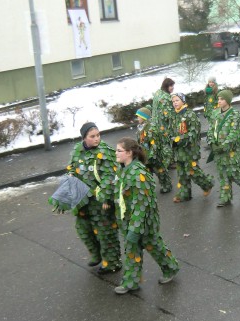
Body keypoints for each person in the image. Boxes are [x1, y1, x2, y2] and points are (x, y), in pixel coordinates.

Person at [113, 137, 179, 294]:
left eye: (119, 151)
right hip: (130, 220)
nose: (115, 153)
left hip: (144, 222)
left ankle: (171, 267)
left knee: (154, 245)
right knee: (131, 250)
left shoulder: (138, 173)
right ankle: (131, 281)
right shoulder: (123, 169)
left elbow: (141, 204)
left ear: (129, 153)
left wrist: (135, 229)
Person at [62, 122, 121, 273]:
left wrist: (107, 198)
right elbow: (71, 167)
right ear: (84, 138)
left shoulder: (105, 152)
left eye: (98, 135)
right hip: (81, 199)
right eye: (92, 136)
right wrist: (69, 175)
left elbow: (110, 177)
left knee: (105, 232)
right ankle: (96, 254)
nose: (96, 139)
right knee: (83, 229)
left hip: (99, 201)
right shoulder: (77, 149)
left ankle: (112, 262)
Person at [207, 90, 240, 207]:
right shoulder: (215, 114)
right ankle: (225, 197)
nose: (219, 101)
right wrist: (212, 143)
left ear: (227, 100)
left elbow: (234, 133)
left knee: (233, 172)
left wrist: (224, 146)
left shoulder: (234, 115)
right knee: (222, 174)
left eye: (221, 99)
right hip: (218, 151)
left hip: (231, 151)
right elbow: (211, 130)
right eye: (218, 99)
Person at [170, 93, 214, 203]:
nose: (175, 103)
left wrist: (178, 139)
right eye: (173, 101)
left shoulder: (190, 115)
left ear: (183, 101)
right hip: (179, 150)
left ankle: (207, 184)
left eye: (177, 100)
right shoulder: (175, 115)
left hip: (189, 149)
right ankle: (184, 194)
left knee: (192, 170)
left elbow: (193, 133)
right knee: (182, 173)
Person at [135, 106, 172, 194]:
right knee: (147, 172)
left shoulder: (151, 129)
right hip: (145, 154)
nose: (137, 118)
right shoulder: (140, 127)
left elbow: (155, 143)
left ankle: (167, 185)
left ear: (144, 117)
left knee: (160, 171)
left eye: (139, 116)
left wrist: (152, 155)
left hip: (154, 155)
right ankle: (149, 188)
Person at [151, 77, 176, 168]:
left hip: (155, 123)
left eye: (173, 86)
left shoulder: (158, 92)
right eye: (171, 86)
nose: (172, 88)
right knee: (167, 144)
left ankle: (168, 161)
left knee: (161, 144)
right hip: (163, 125)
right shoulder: (166, 98)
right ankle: (166, 165)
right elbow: (167, 114)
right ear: (166, 86)